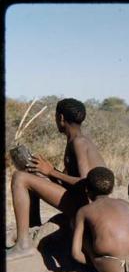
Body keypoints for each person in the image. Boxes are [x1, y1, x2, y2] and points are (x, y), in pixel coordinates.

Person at [7, 98, 106, 261]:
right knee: (31, 173)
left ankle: (23, 245)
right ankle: (32, 228)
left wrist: (52, 171)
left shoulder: (79, 142)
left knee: (19, 178)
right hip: (80, 201)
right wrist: (44, 171)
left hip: (86, 207)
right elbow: (71, 181)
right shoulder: (76, 140)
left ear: (60, 118)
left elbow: (85, 183)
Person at [72, 167, 129, 272]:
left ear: (87, 190)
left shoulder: (84, 211)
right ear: (112, 189)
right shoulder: (124, 204)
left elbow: (76, 254)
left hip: (110, 268)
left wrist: (93, 261)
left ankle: (106, 270)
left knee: (81, 230)